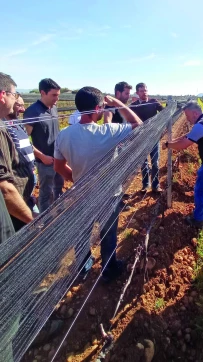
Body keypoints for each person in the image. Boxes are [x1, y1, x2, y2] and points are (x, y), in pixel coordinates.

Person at [54, 86, 142, 282]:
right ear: (96, 109)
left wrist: (76, 179)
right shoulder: (108, 132)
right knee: (108, 233)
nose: (104, 109)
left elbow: (58, 166)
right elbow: (138, 123)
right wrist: (118, 103)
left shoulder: (64, 135)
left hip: (81, 193)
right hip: (108, 194)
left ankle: (83, 267)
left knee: (82, 232)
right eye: (102, 106)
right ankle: (109, 269)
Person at [162, 101, 203, 228]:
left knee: (199, 190)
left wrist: (168, 145)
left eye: (187, 116)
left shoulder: (201, 125)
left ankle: (198, 220)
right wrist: (171, 141)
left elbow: (183, 145)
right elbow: (189, 135)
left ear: (194, 113)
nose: (187, 119)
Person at [0, 73, 34, 232]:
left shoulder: (14, 125)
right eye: (14, 95)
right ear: (2, 96)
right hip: (11, 210)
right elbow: (5, 188)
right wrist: (34, 221)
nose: (16, 102)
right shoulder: (2, 129)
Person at [24, 78, 64, 212]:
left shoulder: (54, 109)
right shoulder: (32, 112)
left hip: (58, 158)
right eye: (54, 95)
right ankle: (45, 221)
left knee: (59, 186)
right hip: (45, 162)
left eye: (58, 95)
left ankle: (57, 210)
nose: (56, 99)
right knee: (45, 192)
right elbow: (25, 141)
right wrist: (41, 157)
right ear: (42, 92)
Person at [130, 83, 164, 193]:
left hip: (154, 135)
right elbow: (130, 120)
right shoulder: (134, 106)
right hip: (141, 137)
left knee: (155, 162)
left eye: (145, 90)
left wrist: (161, 127)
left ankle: (155, 185)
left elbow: (164, 113)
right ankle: (145, 185)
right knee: (143, 163)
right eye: (141, 91)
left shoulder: (153, 102)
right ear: (137, 92)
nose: (144, 92)